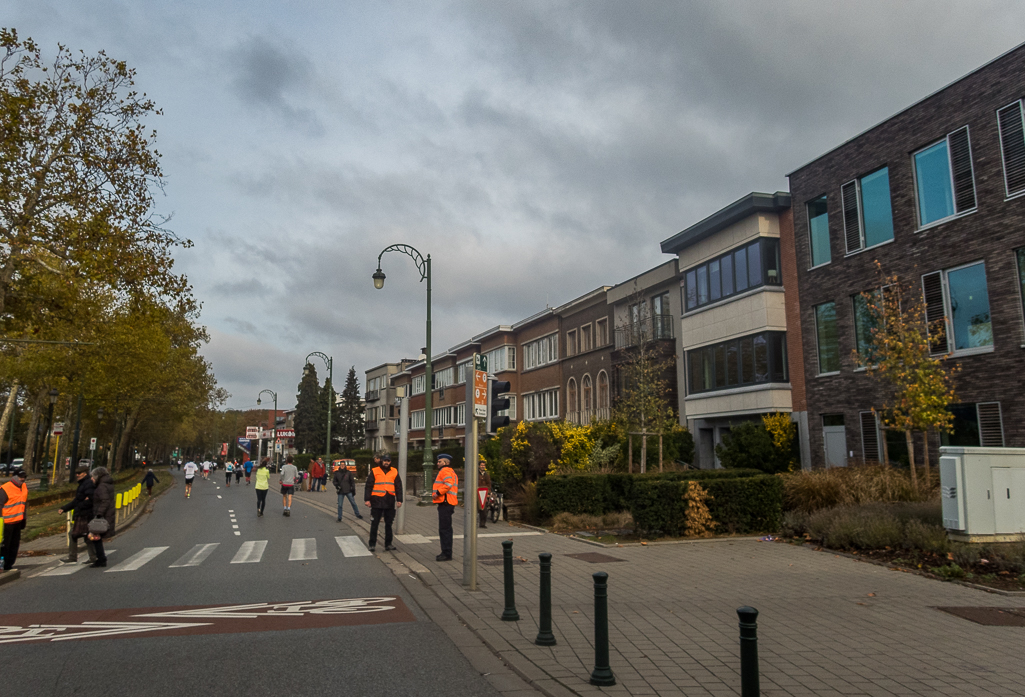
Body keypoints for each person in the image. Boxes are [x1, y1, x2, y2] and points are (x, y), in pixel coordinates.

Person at [364, 453, 402, 552]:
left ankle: (388, 544)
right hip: (377, 500)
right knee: (374, 524)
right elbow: (369, 486)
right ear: (381, 461)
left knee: (389, 524)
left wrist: (399, 500)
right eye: (385, 460)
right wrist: (367, 499)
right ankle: (372, 544)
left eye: (388, 461)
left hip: (389, 500)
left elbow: (398, 486)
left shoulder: (394, 471)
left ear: (390, 461)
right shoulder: (374, 471)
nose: (386, 462)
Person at [58, 465, 96, 565]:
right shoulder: (83, 484)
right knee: (86, 535)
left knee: (75, 534)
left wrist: (81, 504)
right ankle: (92, 556)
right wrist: (64, 508)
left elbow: (91, 499)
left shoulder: (87, 484)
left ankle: (73, 557)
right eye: (76, 473)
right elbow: (77, 500)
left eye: (79, 473)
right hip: (83, 514)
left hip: (85, 514)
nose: (77, 475)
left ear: (85, 473)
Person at [0, 469, 28, 571]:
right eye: (20, 477)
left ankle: (9, 565)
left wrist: (23, 519)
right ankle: (3, 565)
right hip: (6, 523)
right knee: (5, 546)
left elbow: (23, 504)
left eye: (24, 477)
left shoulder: (24, 487)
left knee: (14, 545)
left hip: (18, 521)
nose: (23, 479)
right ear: (14, 477)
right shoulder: (5, 489)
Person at [432, 454, 458, 561]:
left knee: (444, 529)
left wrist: (437, 493)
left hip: (445, 502)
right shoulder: (451, 472)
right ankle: (447, 552)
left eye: (440, 461)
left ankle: (446, 553)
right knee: (447, 528)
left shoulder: (445, 471)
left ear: (446, 463)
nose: (437, 463)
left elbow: (448, 484)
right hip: (449, 502)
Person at [88, 466, 116, 568]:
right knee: (97, 538)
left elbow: (105, 501)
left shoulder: (101, 487)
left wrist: (99, 514)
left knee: (96, 538)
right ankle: (101, 558)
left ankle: (101, 559)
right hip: (107, 514)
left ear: (97, 476)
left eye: (93, 477)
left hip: (102, 516)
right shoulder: (107, 484)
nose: (91, 479)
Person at [477, 456, 492, 529]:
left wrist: (488, 493)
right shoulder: (476, 474)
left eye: (484, 465)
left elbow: (489, 484)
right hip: (476, 493)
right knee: (476, 508)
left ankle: (482, 523)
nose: (483, 466)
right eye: (481, 465)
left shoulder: (487, 475)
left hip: (484, 493)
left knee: (484, 509)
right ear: (479, 466)